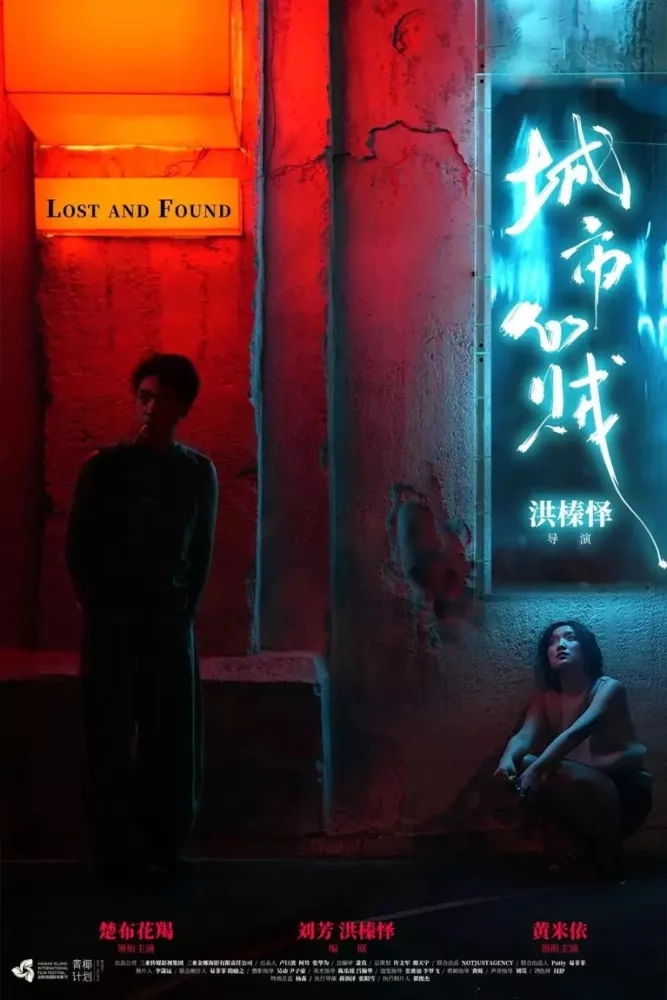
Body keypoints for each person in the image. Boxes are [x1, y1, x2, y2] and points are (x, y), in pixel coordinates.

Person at [66, 353, 218, 883]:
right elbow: (78, 546)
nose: (151, 408)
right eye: (144, 397)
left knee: (170, 738)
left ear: (183, 406)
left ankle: (164, 846)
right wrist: (97, 604)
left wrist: (182, 612)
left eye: (163, 399)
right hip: (113, 622)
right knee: (107, 738)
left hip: (167, 622)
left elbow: (201, 551)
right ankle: (111, 852)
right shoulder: (105, 469)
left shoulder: (196, 474)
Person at [494, 620, 652, 877]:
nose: (561, 645)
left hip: (622, 791)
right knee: (521, 766)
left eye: (570, 638)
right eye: (553, 642)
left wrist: (536, 770)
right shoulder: (546, 700)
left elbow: (577, 732)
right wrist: (506, 762)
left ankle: (608, 851)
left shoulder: (607, 688)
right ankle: (577, 850)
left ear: (586, 649)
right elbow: (523, 736)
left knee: (539, 769)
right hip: (576, 784)